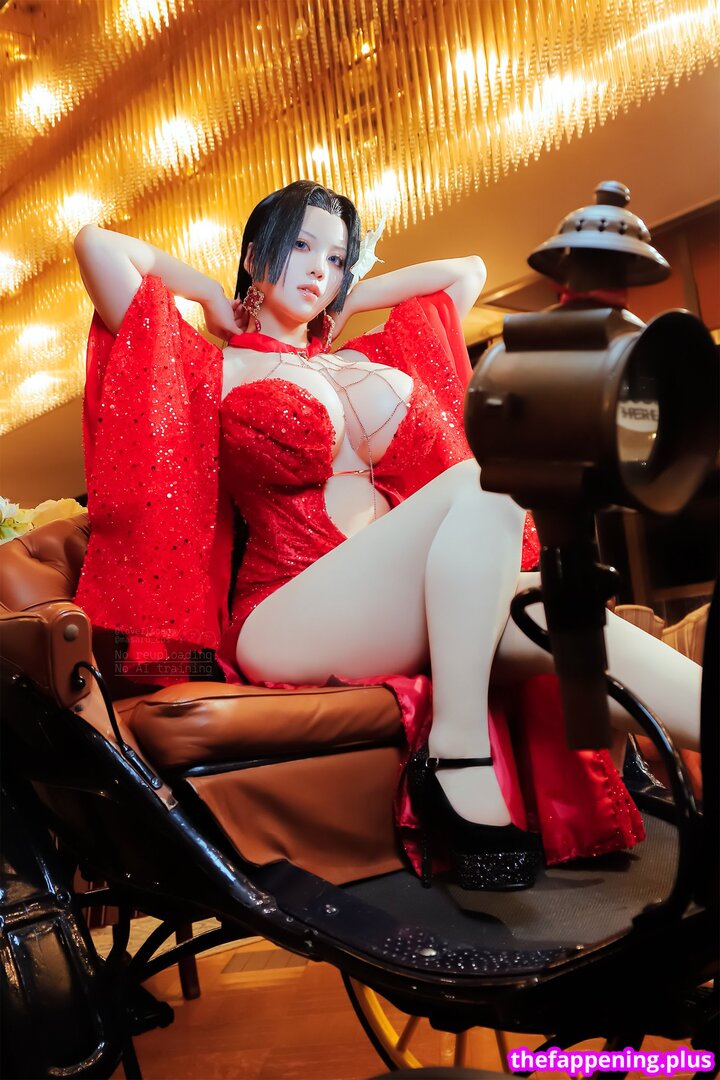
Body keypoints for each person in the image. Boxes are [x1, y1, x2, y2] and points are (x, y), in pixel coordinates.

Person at [73, 180, 702, 891]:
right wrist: (212, 296)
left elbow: (463, 272)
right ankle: (456, 755)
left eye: (336, 258)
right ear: (254, 254)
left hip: (408, 606)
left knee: (562, 616)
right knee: (488, 477)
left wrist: (349, 299)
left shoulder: (366, 357)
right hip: (285, 614)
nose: (319, 269)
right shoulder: (210, 366)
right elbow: (97, 246)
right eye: (300, 245)